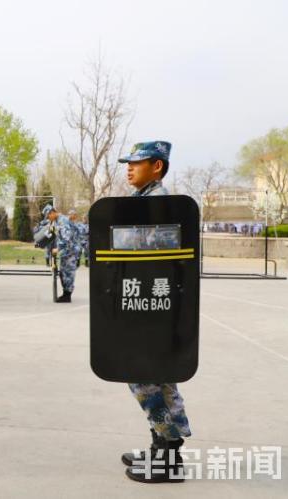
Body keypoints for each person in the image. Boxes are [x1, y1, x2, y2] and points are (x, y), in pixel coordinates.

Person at [118, 141, 191, 484]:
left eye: (138, 162)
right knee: (154, 377)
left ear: (157, 166)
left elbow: (156, 259)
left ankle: (168, 454)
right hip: (143, 303)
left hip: (153, 306)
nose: (129, 168)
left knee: (146, 376)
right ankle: (162, 444)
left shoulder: (160, 204)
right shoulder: (144, 201)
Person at [51, 208, 81, 303]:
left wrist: (58, 249)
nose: (48, 218)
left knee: (68, 274)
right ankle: (66, 294)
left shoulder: (62, 221)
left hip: (69, 252)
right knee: (64, 273)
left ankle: (67, 296)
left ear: (52, 213)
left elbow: (66, 238)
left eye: (48, 216)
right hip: (67, 252)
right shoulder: (59, 220)